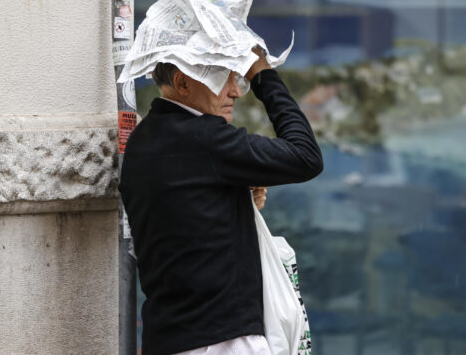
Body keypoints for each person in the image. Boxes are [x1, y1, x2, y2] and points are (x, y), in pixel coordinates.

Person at [118, 48, 323, 355]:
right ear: (183, 83)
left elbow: (187, 219)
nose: (236, 91)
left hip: (169, 338)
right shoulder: (206, 140)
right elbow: (306, 156)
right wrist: (263, 75)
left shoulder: (144, 139)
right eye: (224, 78)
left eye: (238, 77)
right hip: (224, 341)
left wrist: (235, 200)